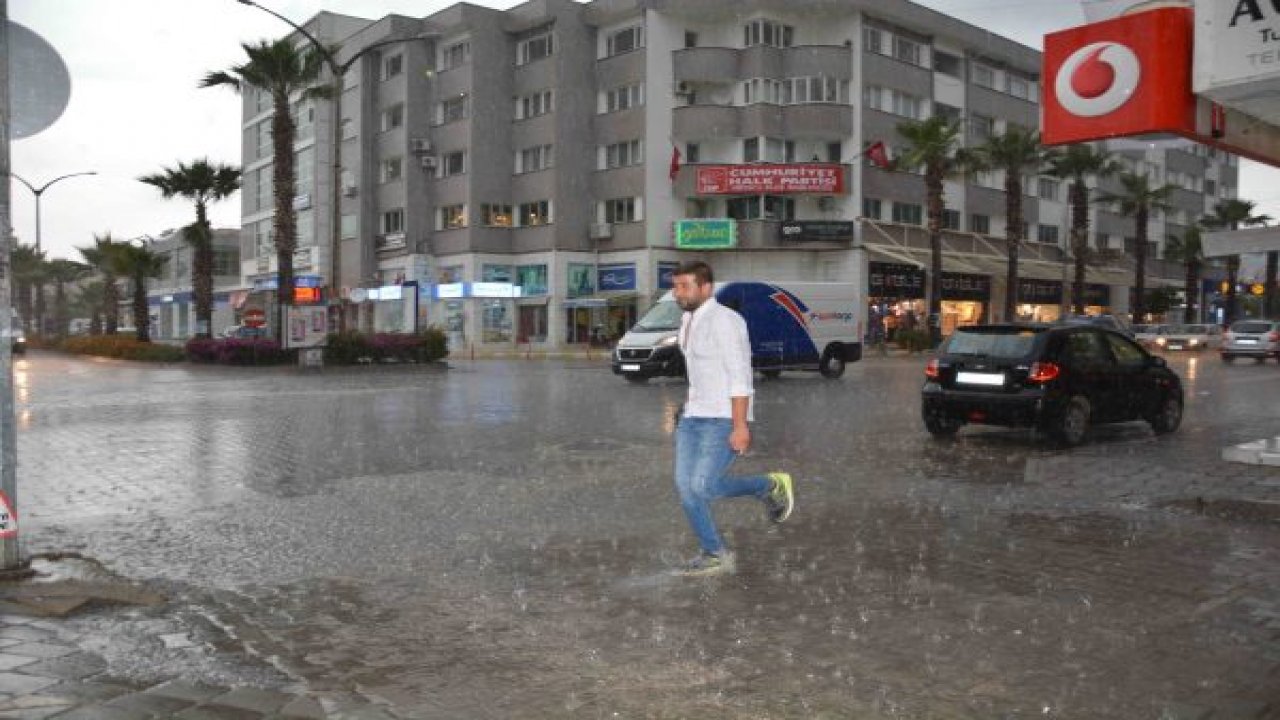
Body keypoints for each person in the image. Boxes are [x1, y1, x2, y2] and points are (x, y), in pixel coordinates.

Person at [670, 261, 794, 576]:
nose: (677, 292)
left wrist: (740, 425)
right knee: (687, 490)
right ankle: (714, 553)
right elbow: (698, 372)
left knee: (703, 486)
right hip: (693, 418)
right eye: (676, 286)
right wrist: (686, 407)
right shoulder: (687, 320)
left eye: (684, 286)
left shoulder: (726, 321)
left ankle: (768, 485)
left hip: (723, 417)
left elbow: (740, 376)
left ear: (705, 287)